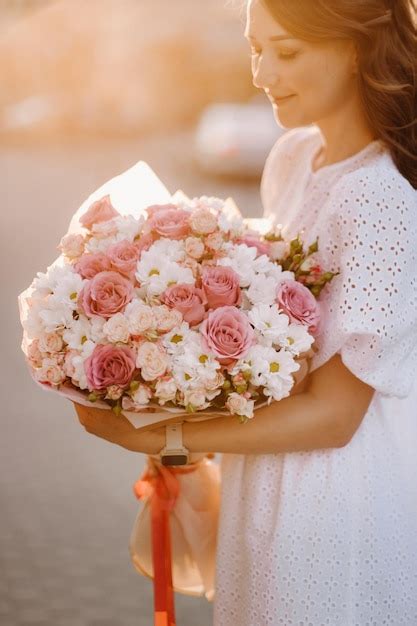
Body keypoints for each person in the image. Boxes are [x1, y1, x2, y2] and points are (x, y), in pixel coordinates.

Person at [76, 0, 417, 623]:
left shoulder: (380, 200)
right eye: (256, 48)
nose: (261, 74)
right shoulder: (291, 158)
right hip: (258, 480)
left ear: (357, 50)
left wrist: (165, 436)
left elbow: (336, 417)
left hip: (334, 503)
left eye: (286, 52)